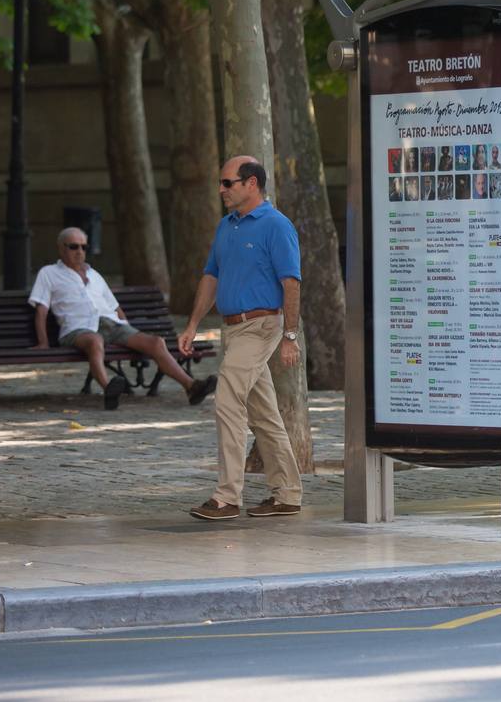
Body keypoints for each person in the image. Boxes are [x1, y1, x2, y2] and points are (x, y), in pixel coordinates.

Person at [178, 157, 305, 520]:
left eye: (227, 183)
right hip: (232, 330)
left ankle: (227, 497)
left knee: (227, 401)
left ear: (251, 184)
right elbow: (210, 277)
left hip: (262, 326)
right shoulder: (226, 226)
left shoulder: (276, 226)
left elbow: (291, 283)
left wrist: (290, 335)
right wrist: (192, 325)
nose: (221, 189)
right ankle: (288, 494)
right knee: (264, 415)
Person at [29, 228, 217, 411]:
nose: (79, 252)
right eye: (73, 247)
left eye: (83, 247)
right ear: (61, 248)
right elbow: (41, 309)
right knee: (95, 341)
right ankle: (109, 389)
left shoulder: (94, 275)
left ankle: (191, 387)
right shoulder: (49, 273)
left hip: (112, 325)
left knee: (156, 342)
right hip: (78, 329)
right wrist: (43, 342)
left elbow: (115, 307)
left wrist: (127, 331)